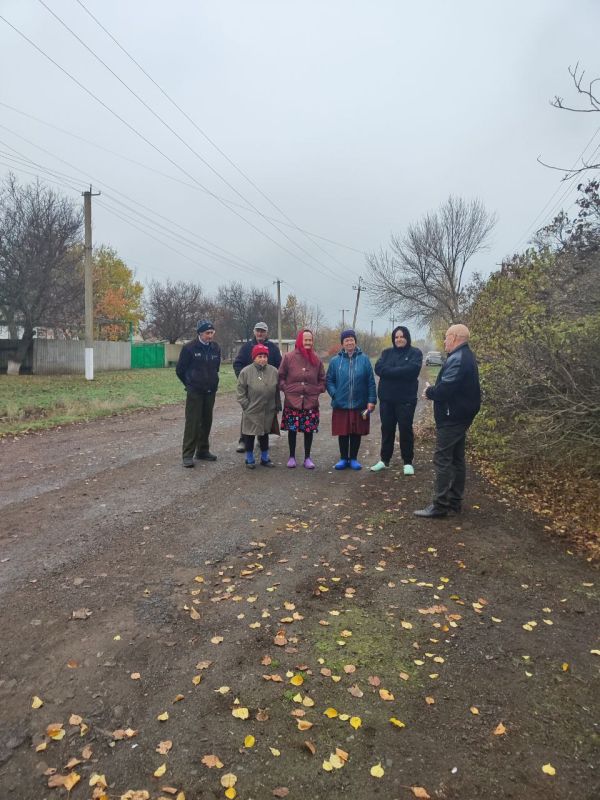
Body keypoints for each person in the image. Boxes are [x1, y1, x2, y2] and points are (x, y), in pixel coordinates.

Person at [414, 323, 481, 518]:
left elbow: (445, 390)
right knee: (457, 459)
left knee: (443, 459)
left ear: (454, 337)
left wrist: (429, 392)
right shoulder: (464, 355)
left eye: (446, 337)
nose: (444, 341)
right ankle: (454, 502)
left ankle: (440, 506)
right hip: (460, 415)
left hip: (453, 417)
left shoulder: (459, 358)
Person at [370, 325, 423, 475]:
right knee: (387, 429)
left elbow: (412, 371)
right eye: (396, 337)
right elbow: (379, 368)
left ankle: (407, 462)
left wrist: (390, 372)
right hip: (387, 399)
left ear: (407, 337)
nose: (399, 339)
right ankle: (384, 460)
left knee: (405, 429)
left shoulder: (415, 353)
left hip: (406, 399)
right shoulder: (386, 353)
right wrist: (400, 371)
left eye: (402, 336)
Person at [326, 329, 376, 470]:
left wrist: (371, 400)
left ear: (355, 341)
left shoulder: (364, 359)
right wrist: (335, 394)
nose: (349, 342)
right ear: (342, 343)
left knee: (356, 432)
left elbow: (371, 381)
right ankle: (343, 458)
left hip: (359, 403)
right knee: (343, 432)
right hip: (340, 403)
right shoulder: (335, 361)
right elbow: (329, 380)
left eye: (351, 339)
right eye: (346, 340)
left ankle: (353, 458)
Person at [278, 328, 326, 469]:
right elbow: (281, 376)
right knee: (292, 430)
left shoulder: (317, 359)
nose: (308, 342)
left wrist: (317, 390)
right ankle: (291, 456)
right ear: (300, 340)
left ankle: (307, 457)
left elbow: (322, 380)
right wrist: (286, 389)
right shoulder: (288, 357)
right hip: (292, 401)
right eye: (305, 340)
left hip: (310, 402)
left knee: (308, 430)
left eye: (310, 340)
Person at [176, 320, 221, 468]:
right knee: (193, 423)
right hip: (195, 391)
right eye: (207, 333)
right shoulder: (189, 348)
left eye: (212, 333)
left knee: (206, 421)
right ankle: (187, 454)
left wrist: (213, 381)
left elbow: (216, 368)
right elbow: (180, 370)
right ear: (200, 333)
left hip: (210, 391)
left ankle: (203, 450)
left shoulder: (216, 348)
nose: (210, 336)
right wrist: (190, 383)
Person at [233, 322, 282, 452]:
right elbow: (237, 364)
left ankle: (262, 440)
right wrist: (243, 379)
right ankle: (243, 440)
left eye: (263, 331)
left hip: (267, 388)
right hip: (251, 389)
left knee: (266, 416)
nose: (260, 333)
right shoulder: (246, 347)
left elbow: (280, 365)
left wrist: (274, 380)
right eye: (258, 331)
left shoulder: (273, 348)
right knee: (248, 415)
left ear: (266, 333)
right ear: (254, 332)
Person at [236, 343, 281, 469]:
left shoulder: (273, 371)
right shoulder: (246, 372)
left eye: (265, 356)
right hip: (252, 409)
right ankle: (249, 459)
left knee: (265, 434)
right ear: (254, 357)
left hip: (268, 409)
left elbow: (277, 390)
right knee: (249, 435)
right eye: (260, 356)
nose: (263, 359)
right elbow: (240, 392)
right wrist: (246, 406)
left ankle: (265, 458)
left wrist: (277, 405)